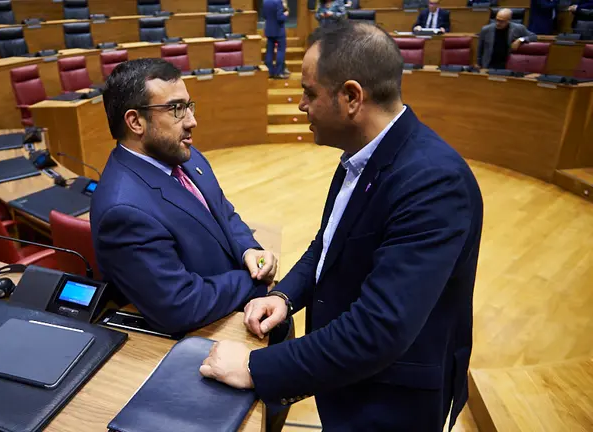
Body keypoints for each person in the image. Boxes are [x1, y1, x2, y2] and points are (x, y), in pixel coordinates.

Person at [199, 21, 483, 431]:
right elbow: (330, 243)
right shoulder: (362, 153)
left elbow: (379, 329)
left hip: (390, 403)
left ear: (351, 97)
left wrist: (254, 367)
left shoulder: (434, 183)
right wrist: (285, 296)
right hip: (347, 381)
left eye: (310, 93)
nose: (301, 105)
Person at [91, 58, 278, 335]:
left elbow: (223, 213)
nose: (192, 121)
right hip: (203, 335)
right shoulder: (123, 210)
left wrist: (249, 250)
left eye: (189, 106)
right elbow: (179, 305)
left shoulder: (184, 156)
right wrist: (253, 282)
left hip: (231, 308)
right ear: (135, 122)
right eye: (176, 109)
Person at [263, 0, 290, 79]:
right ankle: (278, 72)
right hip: (278, 31)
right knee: (280, 51)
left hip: (269, 30)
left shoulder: (265, 1)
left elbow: (264, 15)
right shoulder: (278, 2)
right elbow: (280, 18)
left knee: (269, 52)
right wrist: (286, 14)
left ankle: (269, 72)